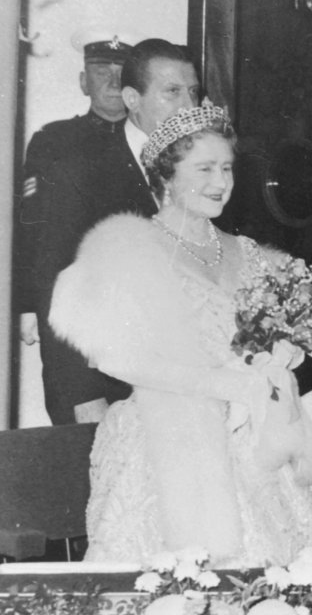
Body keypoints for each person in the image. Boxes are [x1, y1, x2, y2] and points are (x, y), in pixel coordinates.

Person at [48, 101, 312, 567]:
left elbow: (279, 329)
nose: (221, 182)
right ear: (166, 176)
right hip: (169, 434)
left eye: (227, 168)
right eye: (205, 168)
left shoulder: (250, 253)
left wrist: (283, 353)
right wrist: (222, 384)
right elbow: (115, 358)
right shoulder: (132, 249)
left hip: (261, 433)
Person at [27, 37, 200, 424]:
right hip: (105, 390)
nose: (189, 107)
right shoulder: (79, 170)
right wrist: (84, 397)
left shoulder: (202, 169)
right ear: (132, 99)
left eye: (193, 92)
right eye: (172, 92)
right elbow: (53, 284)